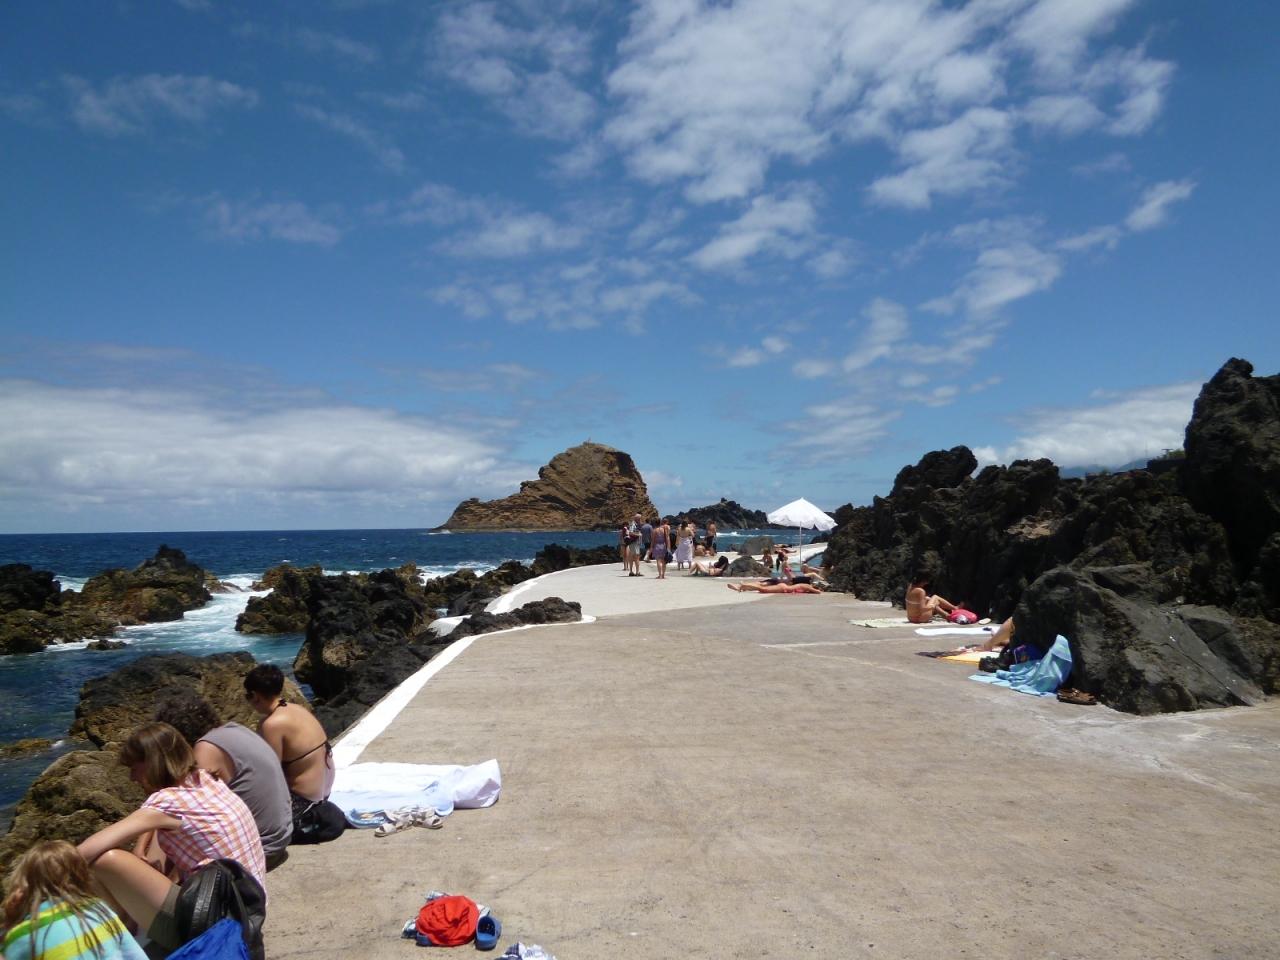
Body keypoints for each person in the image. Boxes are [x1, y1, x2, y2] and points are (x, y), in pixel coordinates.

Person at [76, 722, 266, 954]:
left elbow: (84, 852)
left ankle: (123, 939)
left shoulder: (168, 802)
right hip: (248, 910)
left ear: (153, 763)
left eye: (134, 768)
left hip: (213, 928)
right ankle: (130, 925)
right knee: (158, 840)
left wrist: (40, 878)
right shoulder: (207, 780)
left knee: (106, 860)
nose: (132, 777)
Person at [154, 693, 292, 869]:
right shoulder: (236, 730)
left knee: (171, 825)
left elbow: (185, 811)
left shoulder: (206, 750)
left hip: (260, 850)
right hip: (280, 839)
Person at [2, 841, 147, 960]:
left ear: (26, 884)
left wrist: (10, 922)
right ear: (83, 876)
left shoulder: (21, 935)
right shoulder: (99, 909)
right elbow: (135, 955)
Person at [243, 664, 335, 825]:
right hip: (323, 794)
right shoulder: (298, 709)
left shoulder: (271, 725)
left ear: (255, 696)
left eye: (247, 696)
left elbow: (270, 773)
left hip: (304, 804)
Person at [726, 581, 823, 594]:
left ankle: (743, 588)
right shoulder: (807, 586)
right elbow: (817, 592)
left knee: (762, 589)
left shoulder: (805, 586)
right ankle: (743, 585)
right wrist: (817, 590)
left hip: (784, 587)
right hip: (784, 588)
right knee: (763, 589)